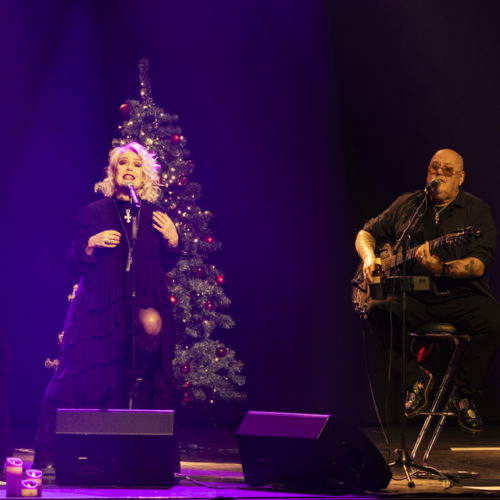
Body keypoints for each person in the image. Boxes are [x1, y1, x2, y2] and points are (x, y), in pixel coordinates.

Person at [35, 142, 181, 465]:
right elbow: (72, 260)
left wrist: (173, 239)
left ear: (145, 175)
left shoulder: (156, 215)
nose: (130, 169)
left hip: (143, 302)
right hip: (100, 309)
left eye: (137, 165)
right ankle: (72, 453)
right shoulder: (95, 211)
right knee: (88, 374)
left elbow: (167, 261)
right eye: (123, 163)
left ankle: (142, 455)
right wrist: (91, 243)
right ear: (113, 173)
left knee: (142, 363)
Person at [355, 148, 500, 433]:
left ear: (461, 178)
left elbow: (479, 264)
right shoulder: (409, 205)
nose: (439, 175)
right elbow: (366, 233)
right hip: (415, 297)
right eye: (435, 168)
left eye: (448, 171)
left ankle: (463, 394)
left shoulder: (476, 211)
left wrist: (441, 268)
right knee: (378, 310)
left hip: (460, 297)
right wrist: (370, 258)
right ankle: (416, 379)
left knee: (493, 319)